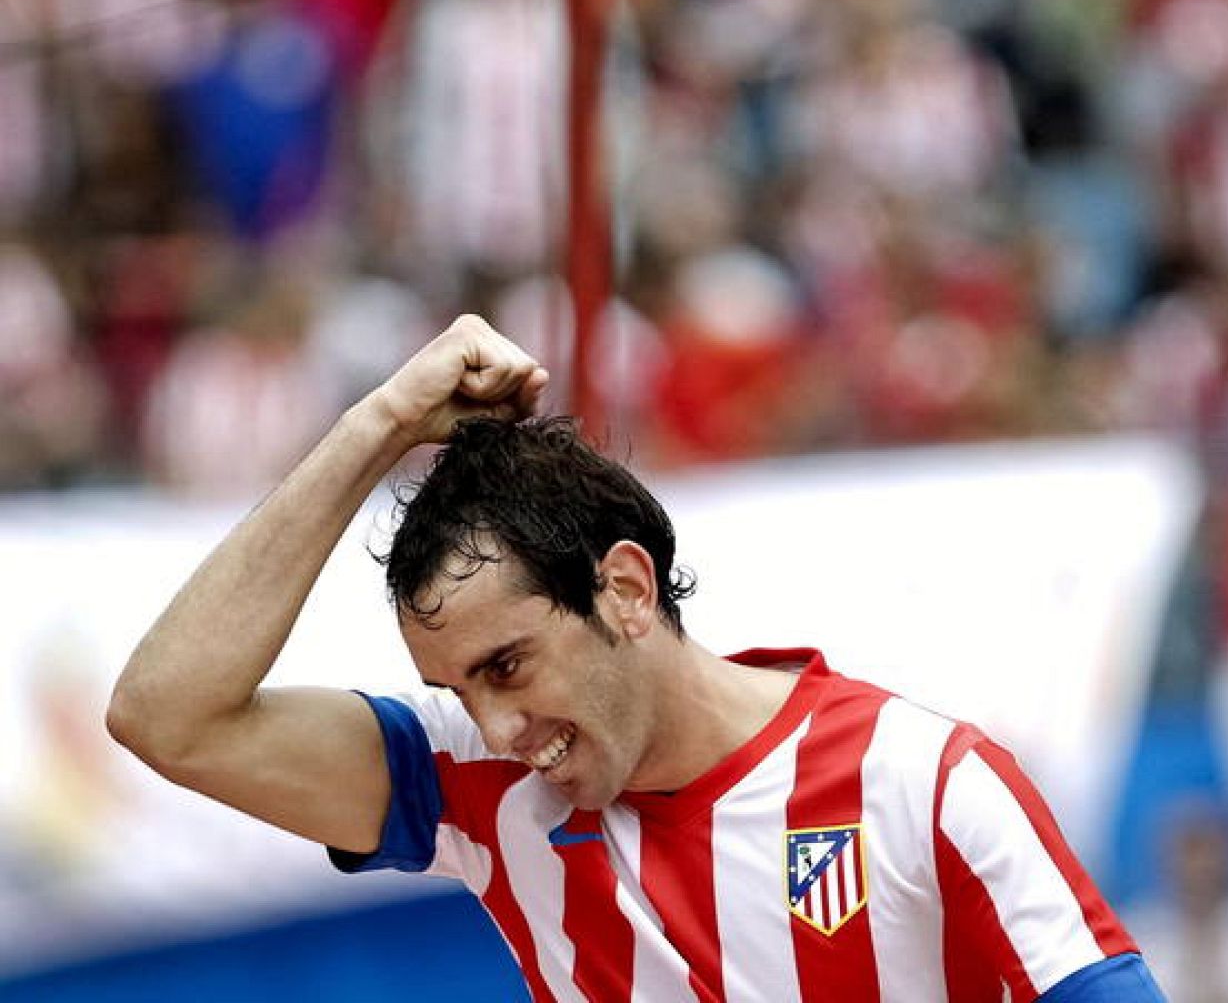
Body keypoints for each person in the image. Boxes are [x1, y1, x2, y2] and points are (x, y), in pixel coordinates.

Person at [107, 315, 1166, 1001]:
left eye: (509, 665)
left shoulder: (923, 782)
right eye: (458, 689)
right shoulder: (477, 789)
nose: (496, 731)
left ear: (623, 588)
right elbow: (167, 715)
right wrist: (379, 425)